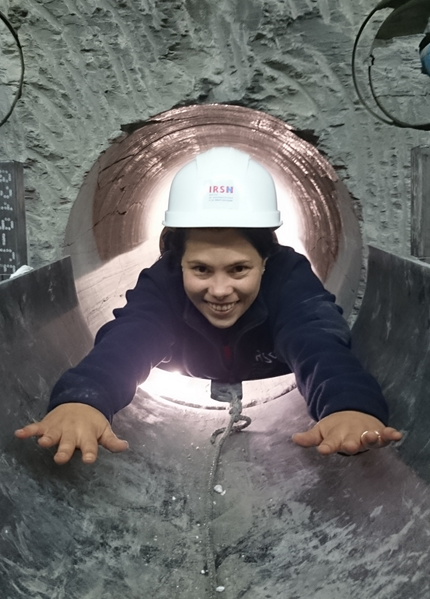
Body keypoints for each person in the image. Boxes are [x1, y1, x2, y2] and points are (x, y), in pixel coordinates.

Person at [15, 147, 402, 464]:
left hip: (267, 365)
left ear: (266, 260)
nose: (220, 290)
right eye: (200, 269)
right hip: (191, 370)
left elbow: (316, 339)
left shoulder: (288, 278)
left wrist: (348, 405)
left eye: (239, 269)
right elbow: (130, 336)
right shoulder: (163, 283)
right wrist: (85, 400)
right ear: (177, 259)